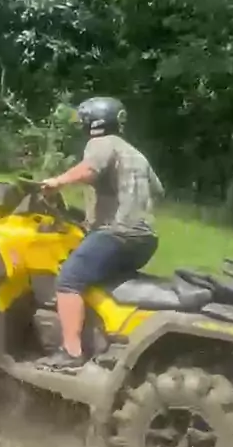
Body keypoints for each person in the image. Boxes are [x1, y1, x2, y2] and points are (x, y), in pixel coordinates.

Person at [38, 96, 164, 370]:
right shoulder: (135, 153)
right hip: (145, 239)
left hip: (116, 234)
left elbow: (89, 170)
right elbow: (157, 190)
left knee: (69, 279)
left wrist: (57, 182)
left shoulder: (101, 143)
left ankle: (71, 352)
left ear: (93, 123)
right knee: (96, 279)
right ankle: (99, 338)